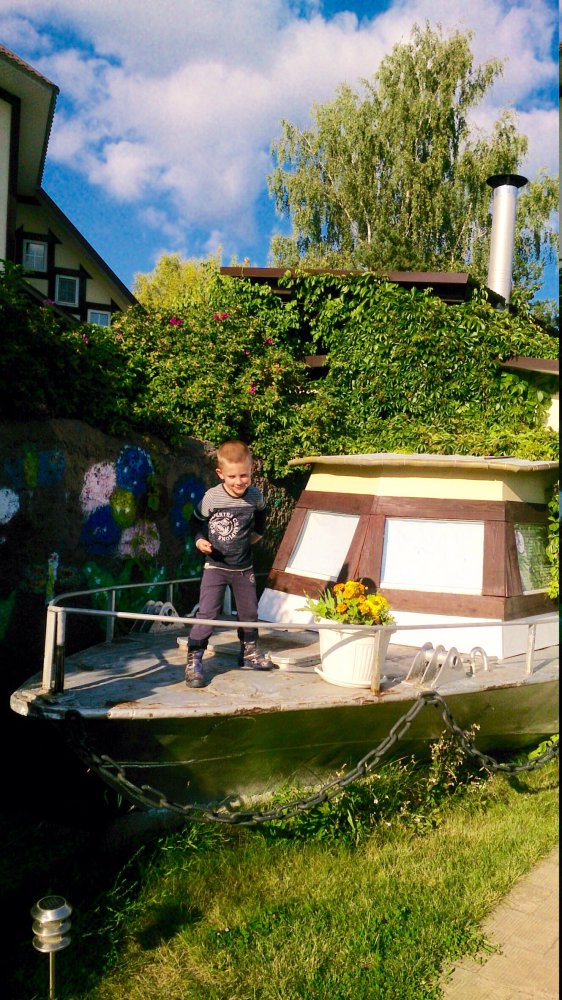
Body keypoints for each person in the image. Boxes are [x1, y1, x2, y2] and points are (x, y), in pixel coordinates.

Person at [185, 439, 274, 688]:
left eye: (244, 475)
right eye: (232, 476)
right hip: (215, 566)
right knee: (207, 613)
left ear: (251, 471)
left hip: (244, 568)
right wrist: (199, 540)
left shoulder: (255, 496)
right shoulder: (211, 497)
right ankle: (194, 659)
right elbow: (195, 522)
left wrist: (258, 534)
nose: (238, 481)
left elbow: (262, 514)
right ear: (220, 473)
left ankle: (249, 652)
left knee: (249, 613)